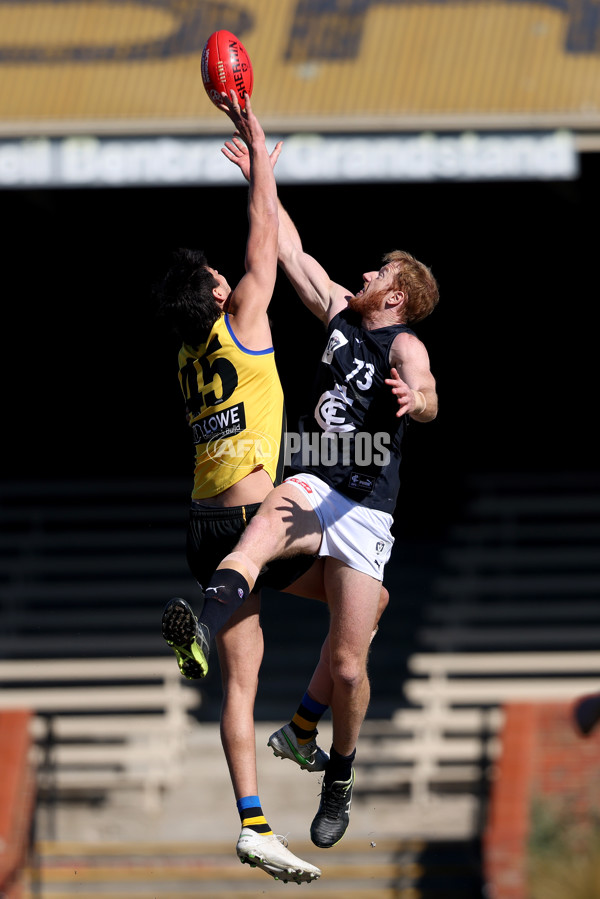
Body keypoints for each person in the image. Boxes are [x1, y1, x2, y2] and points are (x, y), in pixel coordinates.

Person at [165, 131, 440, 851]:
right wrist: (261, 170)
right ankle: (202, 623)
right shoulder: (340, 312)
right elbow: (284, 247)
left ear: (400, 293)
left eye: (380, 269)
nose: (366, 271)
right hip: (316, 476)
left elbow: (432, 390)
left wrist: (418, 401)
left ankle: (333, 767)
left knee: (351, 661)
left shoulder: (404, 344)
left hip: (368, 506)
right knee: (263, 528)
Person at [155, 90, 323, 884]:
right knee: (342, 534)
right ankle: (315, 720)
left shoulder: (187, 354)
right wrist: (255, 145)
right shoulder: (243, 319)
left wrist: (264, 175)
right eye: (221, 276)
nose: (231, 275)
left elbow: (256, 237)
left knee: (239, 683)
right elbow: (266, 242)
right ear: (218, 296)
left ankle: (252, 822)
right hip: (259, 516)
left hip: (202, 529)